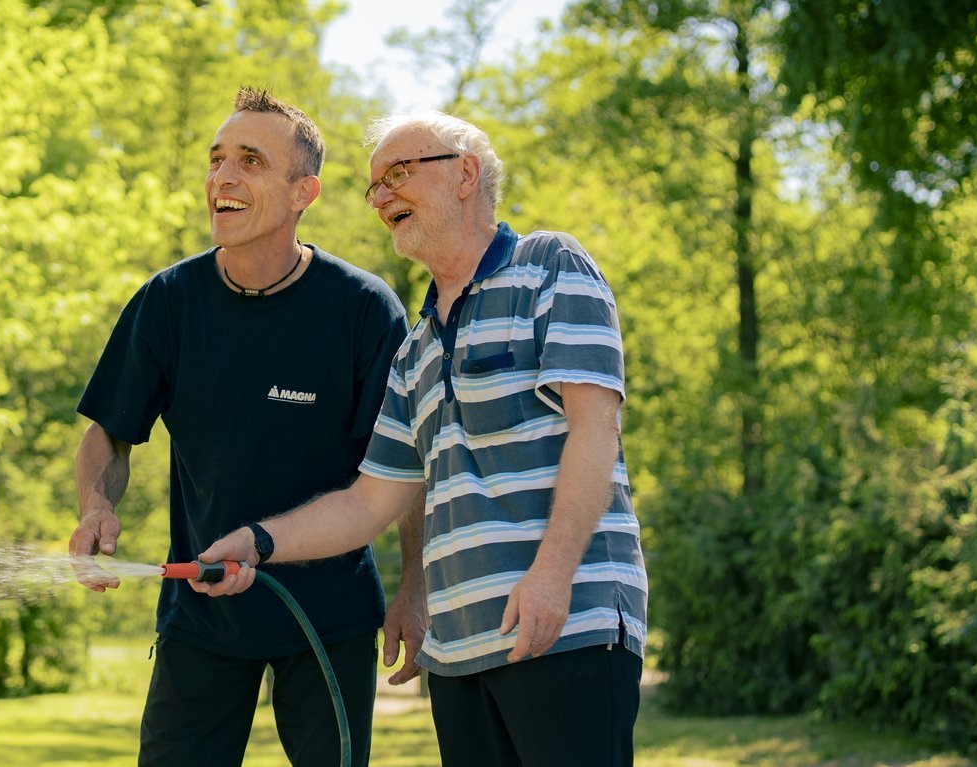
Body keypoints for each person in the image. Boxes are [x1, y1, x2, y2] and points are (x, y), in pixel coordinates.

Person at [195, 112, 648, 767]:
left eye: (397, 175)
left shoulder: (549, 265)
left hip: (566, 629)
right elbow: (367, 502)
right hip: (459, 653)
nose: (380, 198)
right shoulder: (415, 349)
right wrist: (258, 542)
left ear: (465, 174)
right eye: (373, 186)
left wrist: (550, 577)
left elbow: (594, 428)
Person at [68, 87, 420, 767]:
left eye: (250, 161)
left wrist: (414, 585)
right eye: (216, 159)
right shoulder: (167, 302)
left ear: (302, 193)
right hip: (200, 616)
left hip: (329, 618)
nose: (222, 177)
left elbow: (404, 470)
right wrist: (95, 505)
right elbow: (108, 433)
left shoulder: (364, 310)